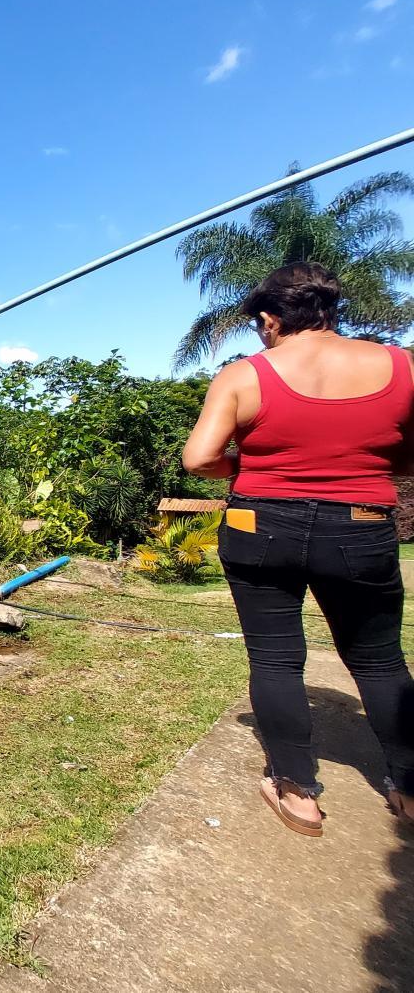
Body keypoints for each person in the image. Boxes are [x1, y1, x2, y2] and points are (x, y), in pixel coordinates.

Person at [183, 261, 414, 837]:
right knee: (381, 661)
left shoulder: (244, 374)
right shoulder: (401, 366)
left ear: (269, 320)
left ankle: (296, 790)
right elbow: (407, 456)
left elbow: (200, 458)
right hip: (360, 526)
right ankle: (409, 789)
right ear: (330, 310)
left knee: (276, 657)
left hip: (260, 523)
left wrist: (250, 463)